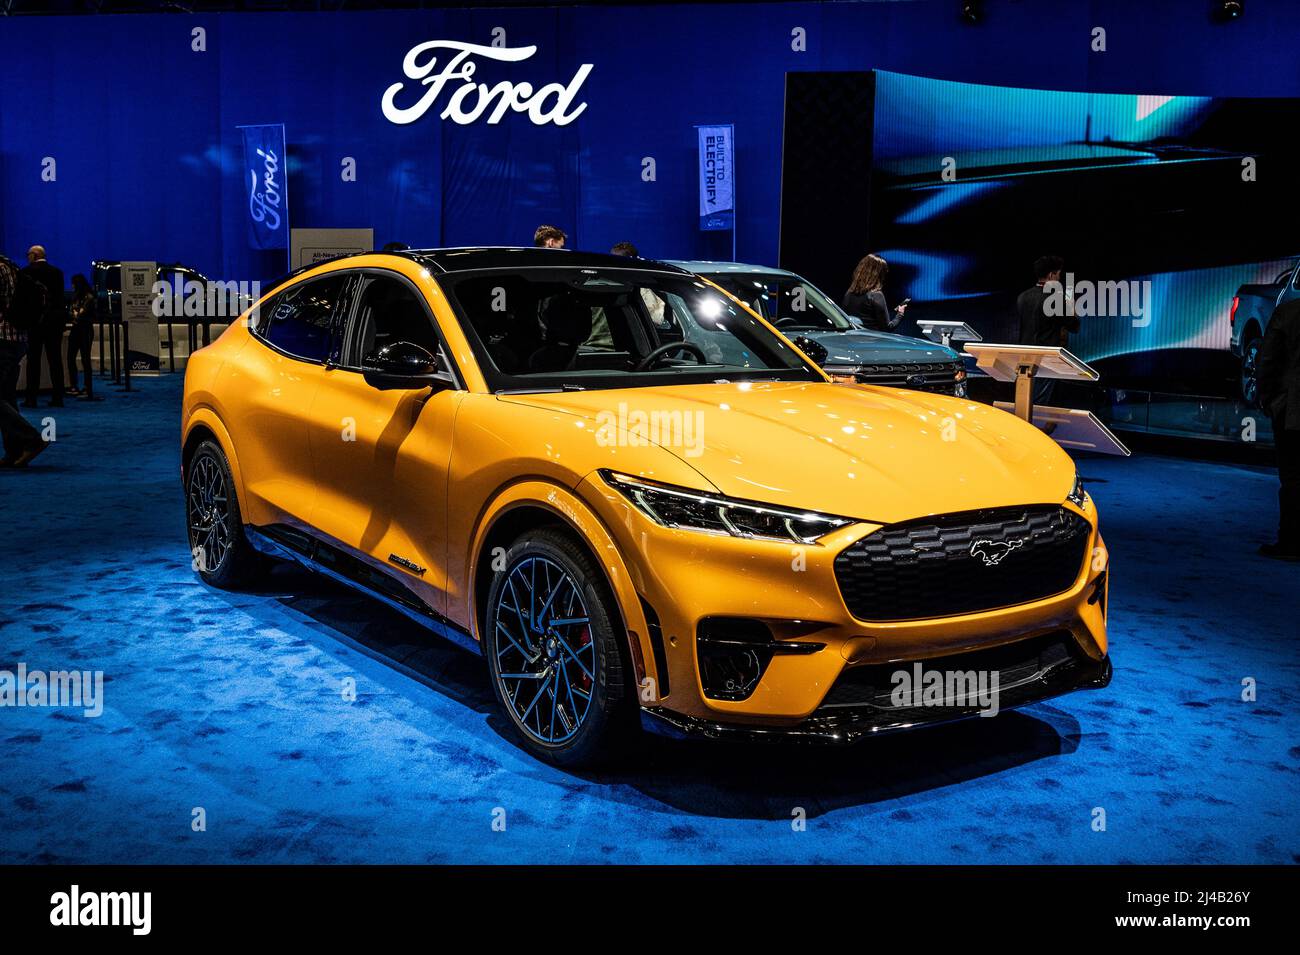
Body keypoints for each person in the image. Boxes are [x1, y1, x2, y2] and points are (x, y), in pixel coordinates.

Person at [1256, 296, 1300, 561]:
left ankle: (1290, 542)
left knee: (1293, 478)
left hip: (1292, 410)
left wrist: (1267, 398)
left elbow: (1267, 359)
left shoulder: (1289, 312)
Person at [0, 255, 49, 467]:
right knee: (7, 396)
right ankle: (15, 451)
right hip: (18, 338)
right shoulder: (10, 266)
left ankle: (31, 439)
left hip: (2, 339)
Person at [1016, 255, 1079, 406]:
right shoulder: (1056, 299)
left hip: (1023, 359)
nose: (1059, 278)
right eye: (1058, 274)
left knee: (1025, 403)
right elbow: (1074, 326)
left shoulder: (1023, 296)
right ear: (1051, 275)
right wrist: (1070, 305)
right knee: (1038, 405)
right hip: (1046, 361)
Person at [21, 245, 67, 408]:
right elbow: (60, 300)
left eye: (28, 254)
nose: (27, 257)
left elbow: (24, 300)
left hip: (35, 323)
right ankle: (58, 397)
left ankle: (31, 398)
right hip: (54, 323)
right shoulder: (57, 272)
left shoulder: (26, 272)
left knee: (33, 361)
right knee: (55, 360)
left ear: (34, 255)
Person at [842, 253, 906, 331]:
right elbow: (887, 328)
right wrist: (900, 314)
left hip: (853, 339)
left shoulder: (849, 293)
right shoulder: (876, 295)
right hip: (872, 341)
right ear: (879, 275)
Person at [66, 273, 96, 400]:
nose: (72, 286)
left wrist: (74, 315)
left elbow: (78, 314)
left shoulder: (89, 297)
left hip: (85, 330)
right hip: (76, 329)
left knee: (85, 359)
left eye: (73, 283)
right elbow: (71, 313)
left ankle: (87, 388)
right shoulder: (75, 297)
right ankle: (74, 385)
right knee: (70, 357)